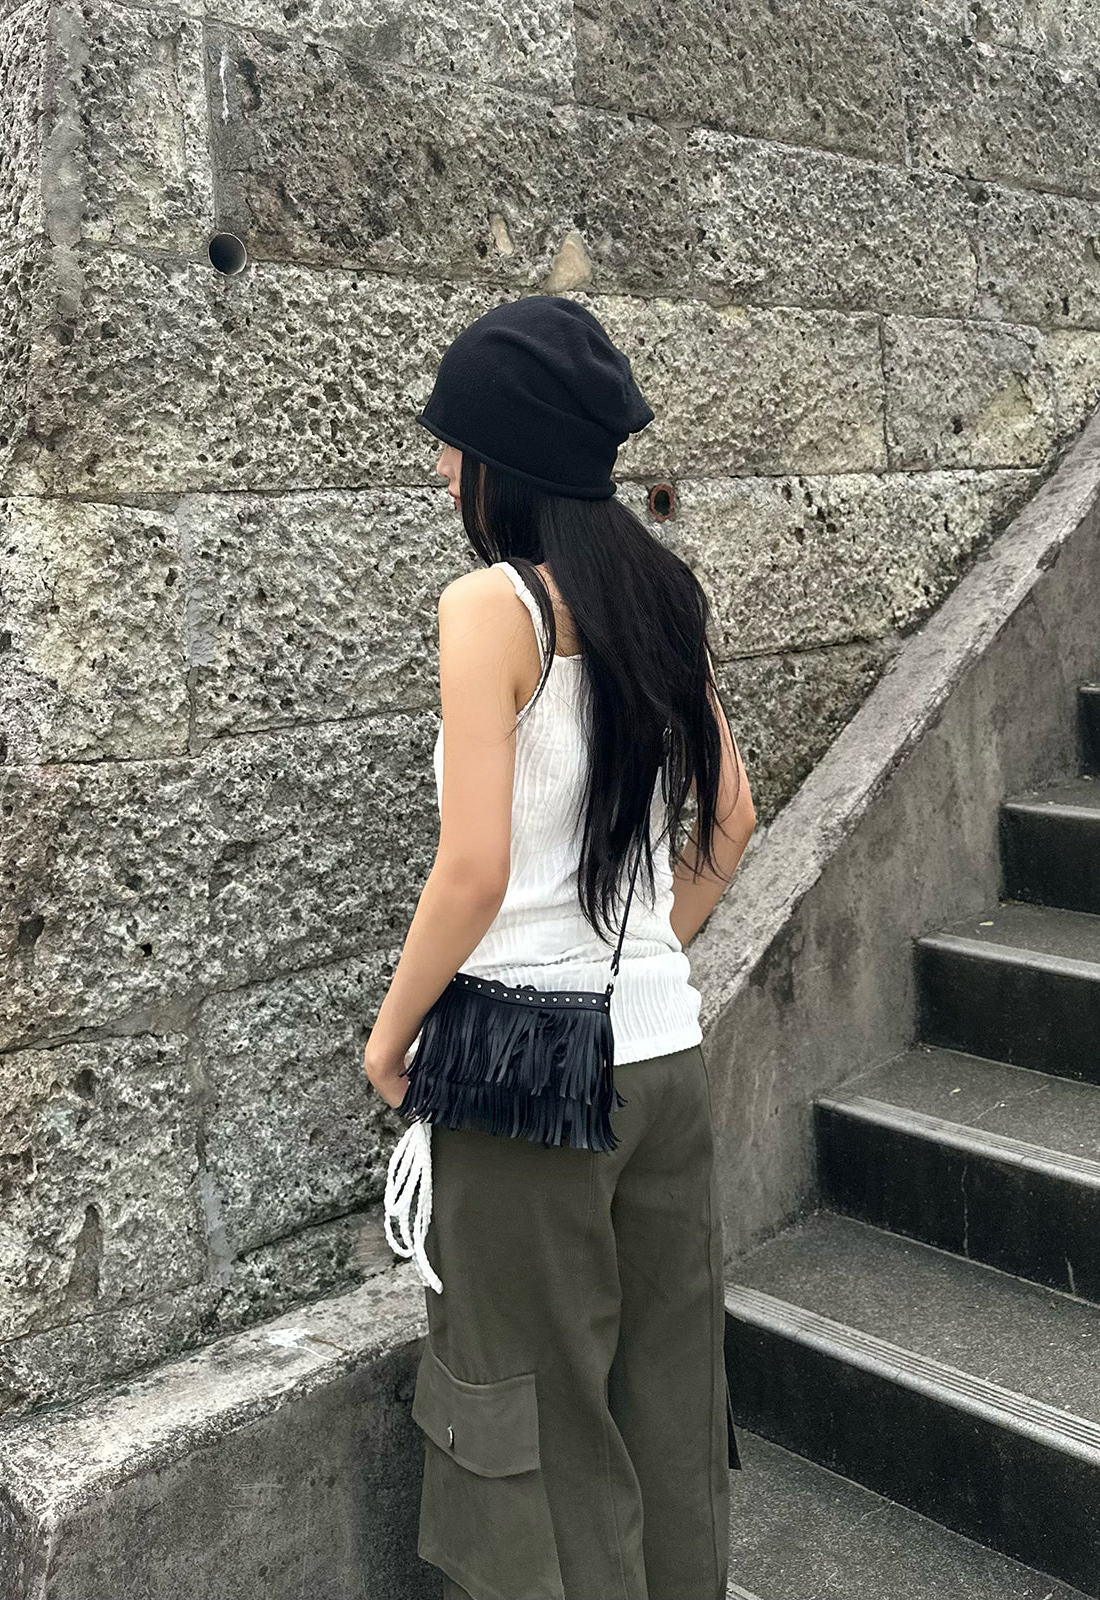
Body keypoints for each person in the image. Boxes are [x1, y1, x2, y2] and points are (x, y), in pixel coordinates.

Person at [364, 295, 757, 1600]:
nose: (442, 471)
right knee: (669, 1397)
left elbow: (473, 871)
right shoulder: (661, 594)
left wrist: (391, 1041)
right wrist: (644, 959)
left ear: (504, 459)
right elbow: (733, 820)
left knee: (533, 1420)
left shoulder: (491, 607)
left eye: (454, 443)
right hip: (664, 1057)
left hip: (524, 1070)